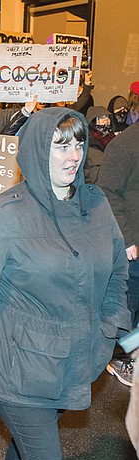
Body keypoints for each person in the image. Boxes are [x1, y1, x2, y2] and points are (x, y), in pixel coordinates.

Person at [0, 107, 131, 460]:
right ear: (36, 150)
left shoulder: (96, 204)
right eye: (60, 146)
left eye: (78, 144)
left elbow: (117, 273)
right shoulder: (3, 215)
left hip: (77, 361)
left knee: (27, 449)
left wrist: (107, 329)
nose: (74, 156)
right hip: (18, 369)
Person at [97, 122, 139, 386]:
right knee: (128, 311)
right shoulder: (125, 145)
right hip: (133, 248)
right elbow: (108, 192)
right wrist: (127, 238)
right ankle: (126, 358)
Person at [83, 106, 115, 184]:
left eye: (107, 117)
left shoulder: (114, 142)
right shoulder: (89, 149)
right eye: (101, 118)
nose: (106, 120)